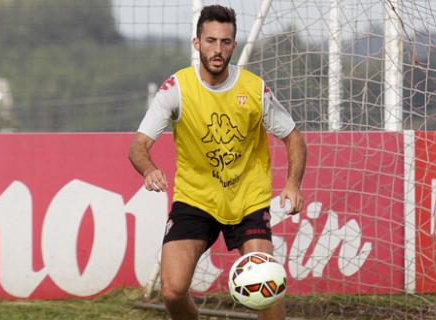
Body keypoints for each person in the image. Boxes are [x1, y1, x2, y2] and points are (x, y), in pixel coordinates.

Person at [128, 4, 306, 320]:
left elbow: (293, 137)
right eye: (210, 41)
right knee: (172, 290)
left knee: (267, 286)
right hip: (195, 200)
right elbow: (138, 146)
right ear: (197, 43)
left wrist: (292, 183)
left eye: (225, 42)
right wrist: (150, 169)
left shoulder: (254, 89)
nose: (217, 49)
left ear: (233, 45)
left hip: (247, 201)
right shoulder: (177, 89)